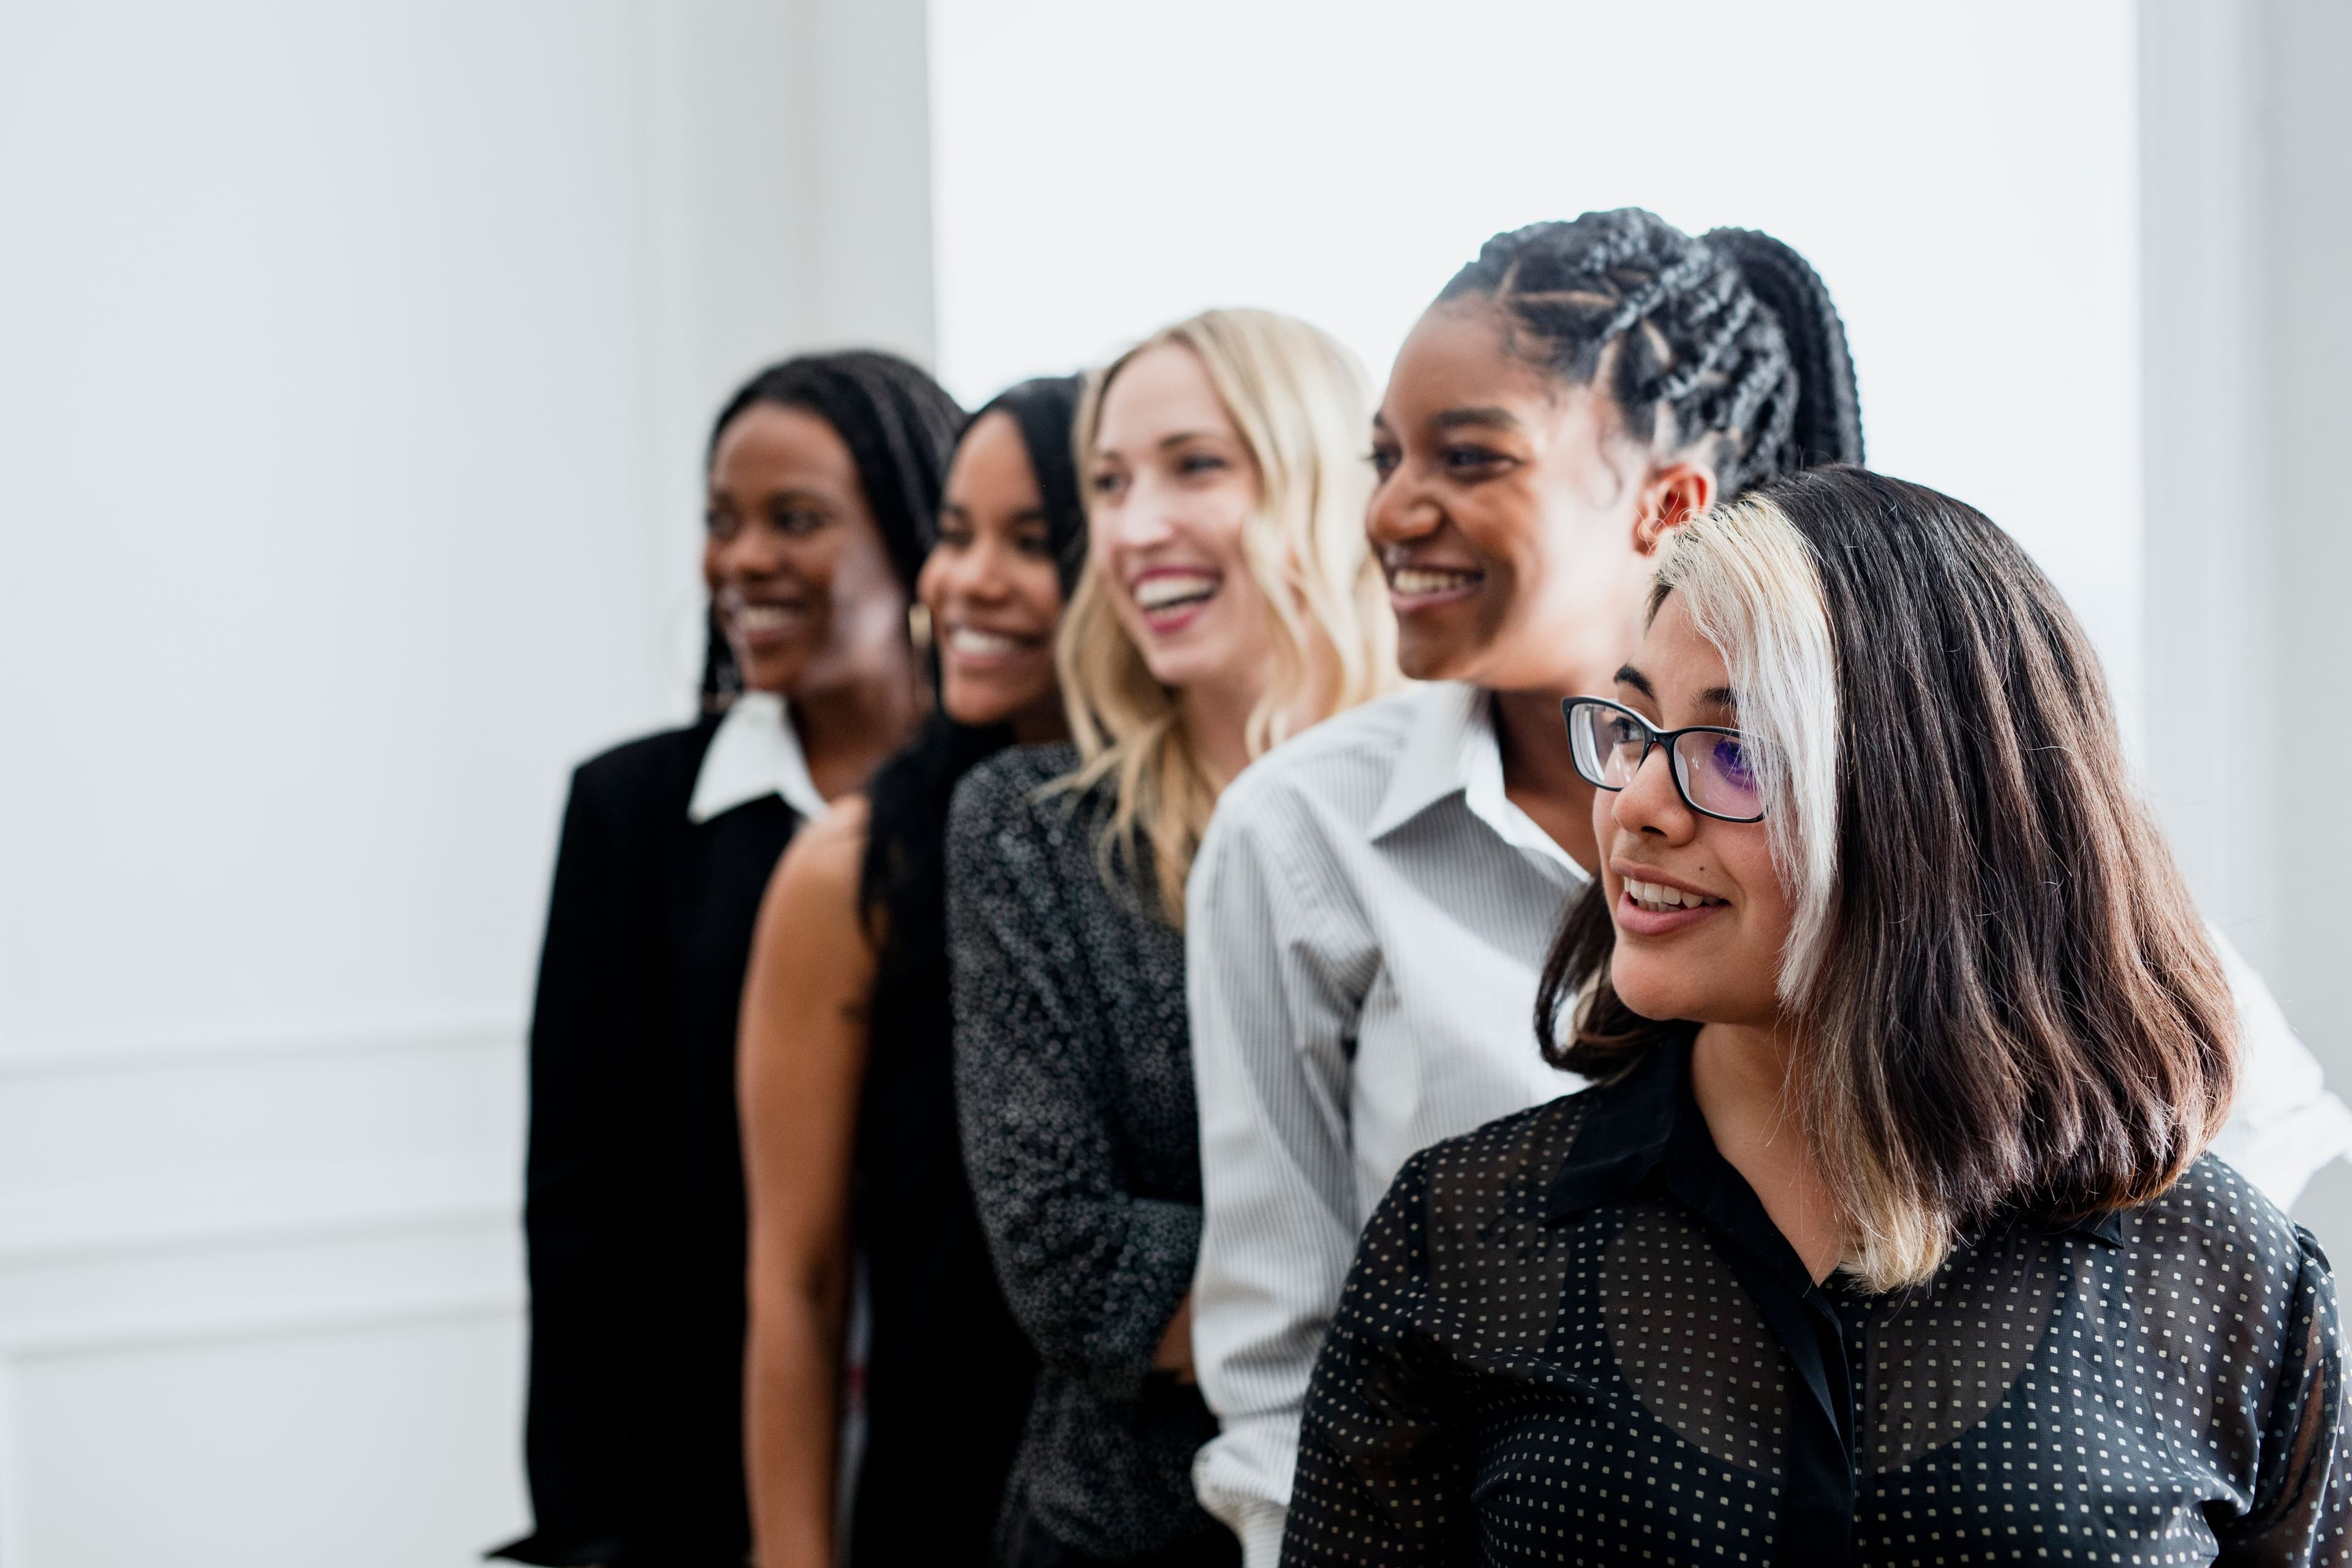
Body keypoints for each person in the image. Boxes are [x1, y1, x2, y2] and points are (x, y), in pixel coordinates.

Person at [1186, 209, 2352, 1564]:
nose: (1639, 806)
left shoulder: (2228, 1281)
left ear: (1939, 803)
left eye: (1735, 748)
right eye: (1631, 730)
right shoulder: (1468, 1237)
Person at [494, 352, 961, 1568]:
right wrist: (593, 1524)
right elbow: (576, 1207)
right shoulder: (629, 812)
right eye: (720, 519)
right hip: (701, 1479)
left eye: (794, 520)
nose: (740, 560)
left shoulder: (1013, 815)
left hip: (959, 1455)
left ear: (921, 539)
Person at [947, 309, 1393, 1568]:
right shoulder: (1034, 832)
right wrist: (1434, 1289)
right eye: (1110, 481)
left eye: (1196, 465)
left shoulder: (1454, 801)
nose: (1134, 527)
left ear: (1317, 474)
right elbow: (1071, 1262)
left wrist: (1269, 1276)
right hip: (1127, 1529)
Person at [738, 377, 1087, 1568]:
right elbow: (796, 1278)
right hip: (938, 1501)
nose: (967, 580)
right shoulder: (850, 867)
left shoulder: (1222, 847)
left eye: (1031, 542)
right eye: (951, 534)